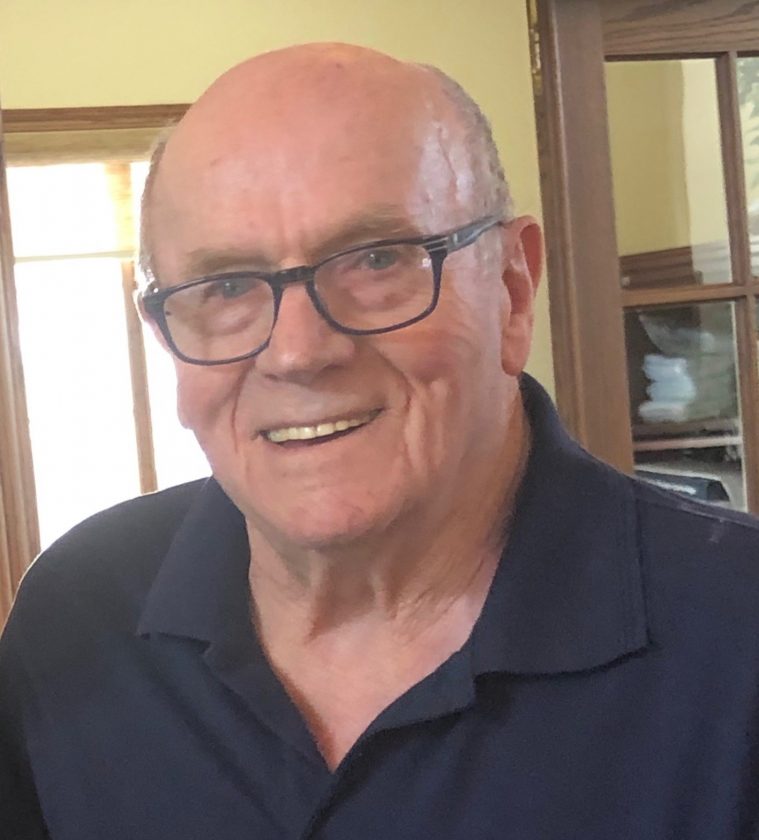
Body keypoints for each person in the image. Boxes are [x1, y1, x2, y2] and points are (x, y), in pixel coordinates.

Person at [1, 42, 758, 840]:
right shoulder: (78, 616)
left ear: (510, 290)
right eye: (224, 287)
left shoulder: (738, 641)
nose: (297, 352)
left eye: (375, 260)